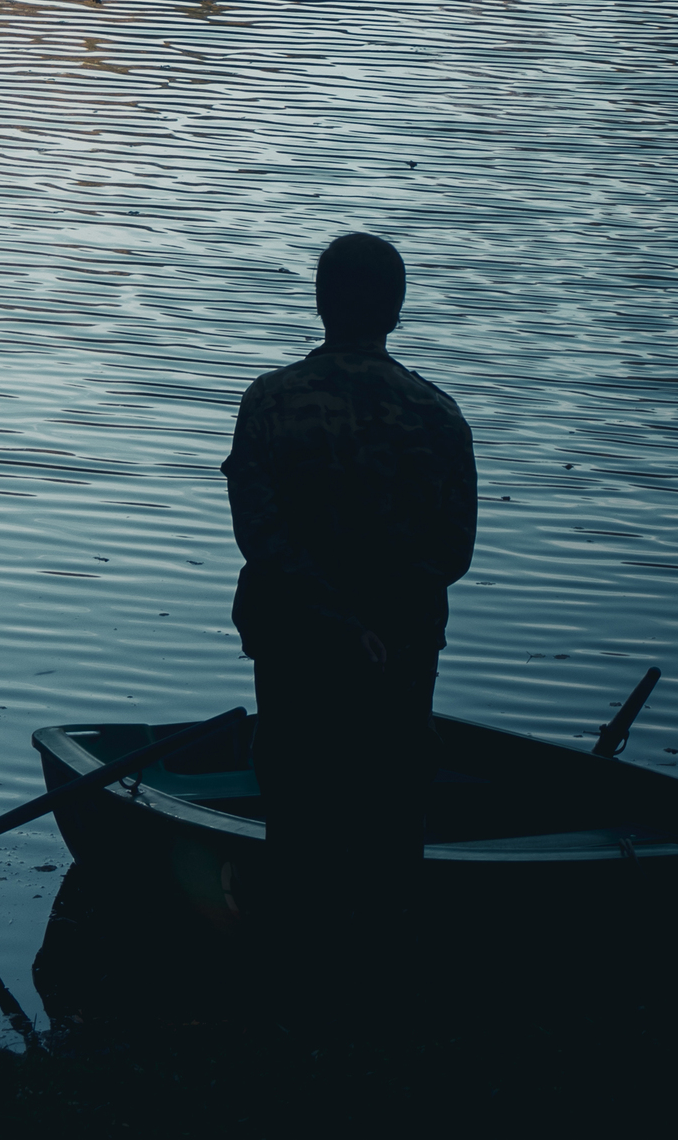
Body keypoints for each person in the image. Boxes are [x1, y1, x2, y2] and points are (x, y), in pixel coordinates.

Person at [223, 232, 476, 966]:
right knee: (393, 804)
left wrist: (334, 622)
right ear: (395, 311)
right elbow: (451, 550)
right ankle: (386, 964)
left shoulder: (271, 400)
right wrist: (378, 622)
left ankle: (296, 966)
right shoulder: (438, 413)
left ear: (321, 301)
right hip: (401, 645)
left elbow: (261, 536)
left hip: (298, 639)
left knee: (298, 802)